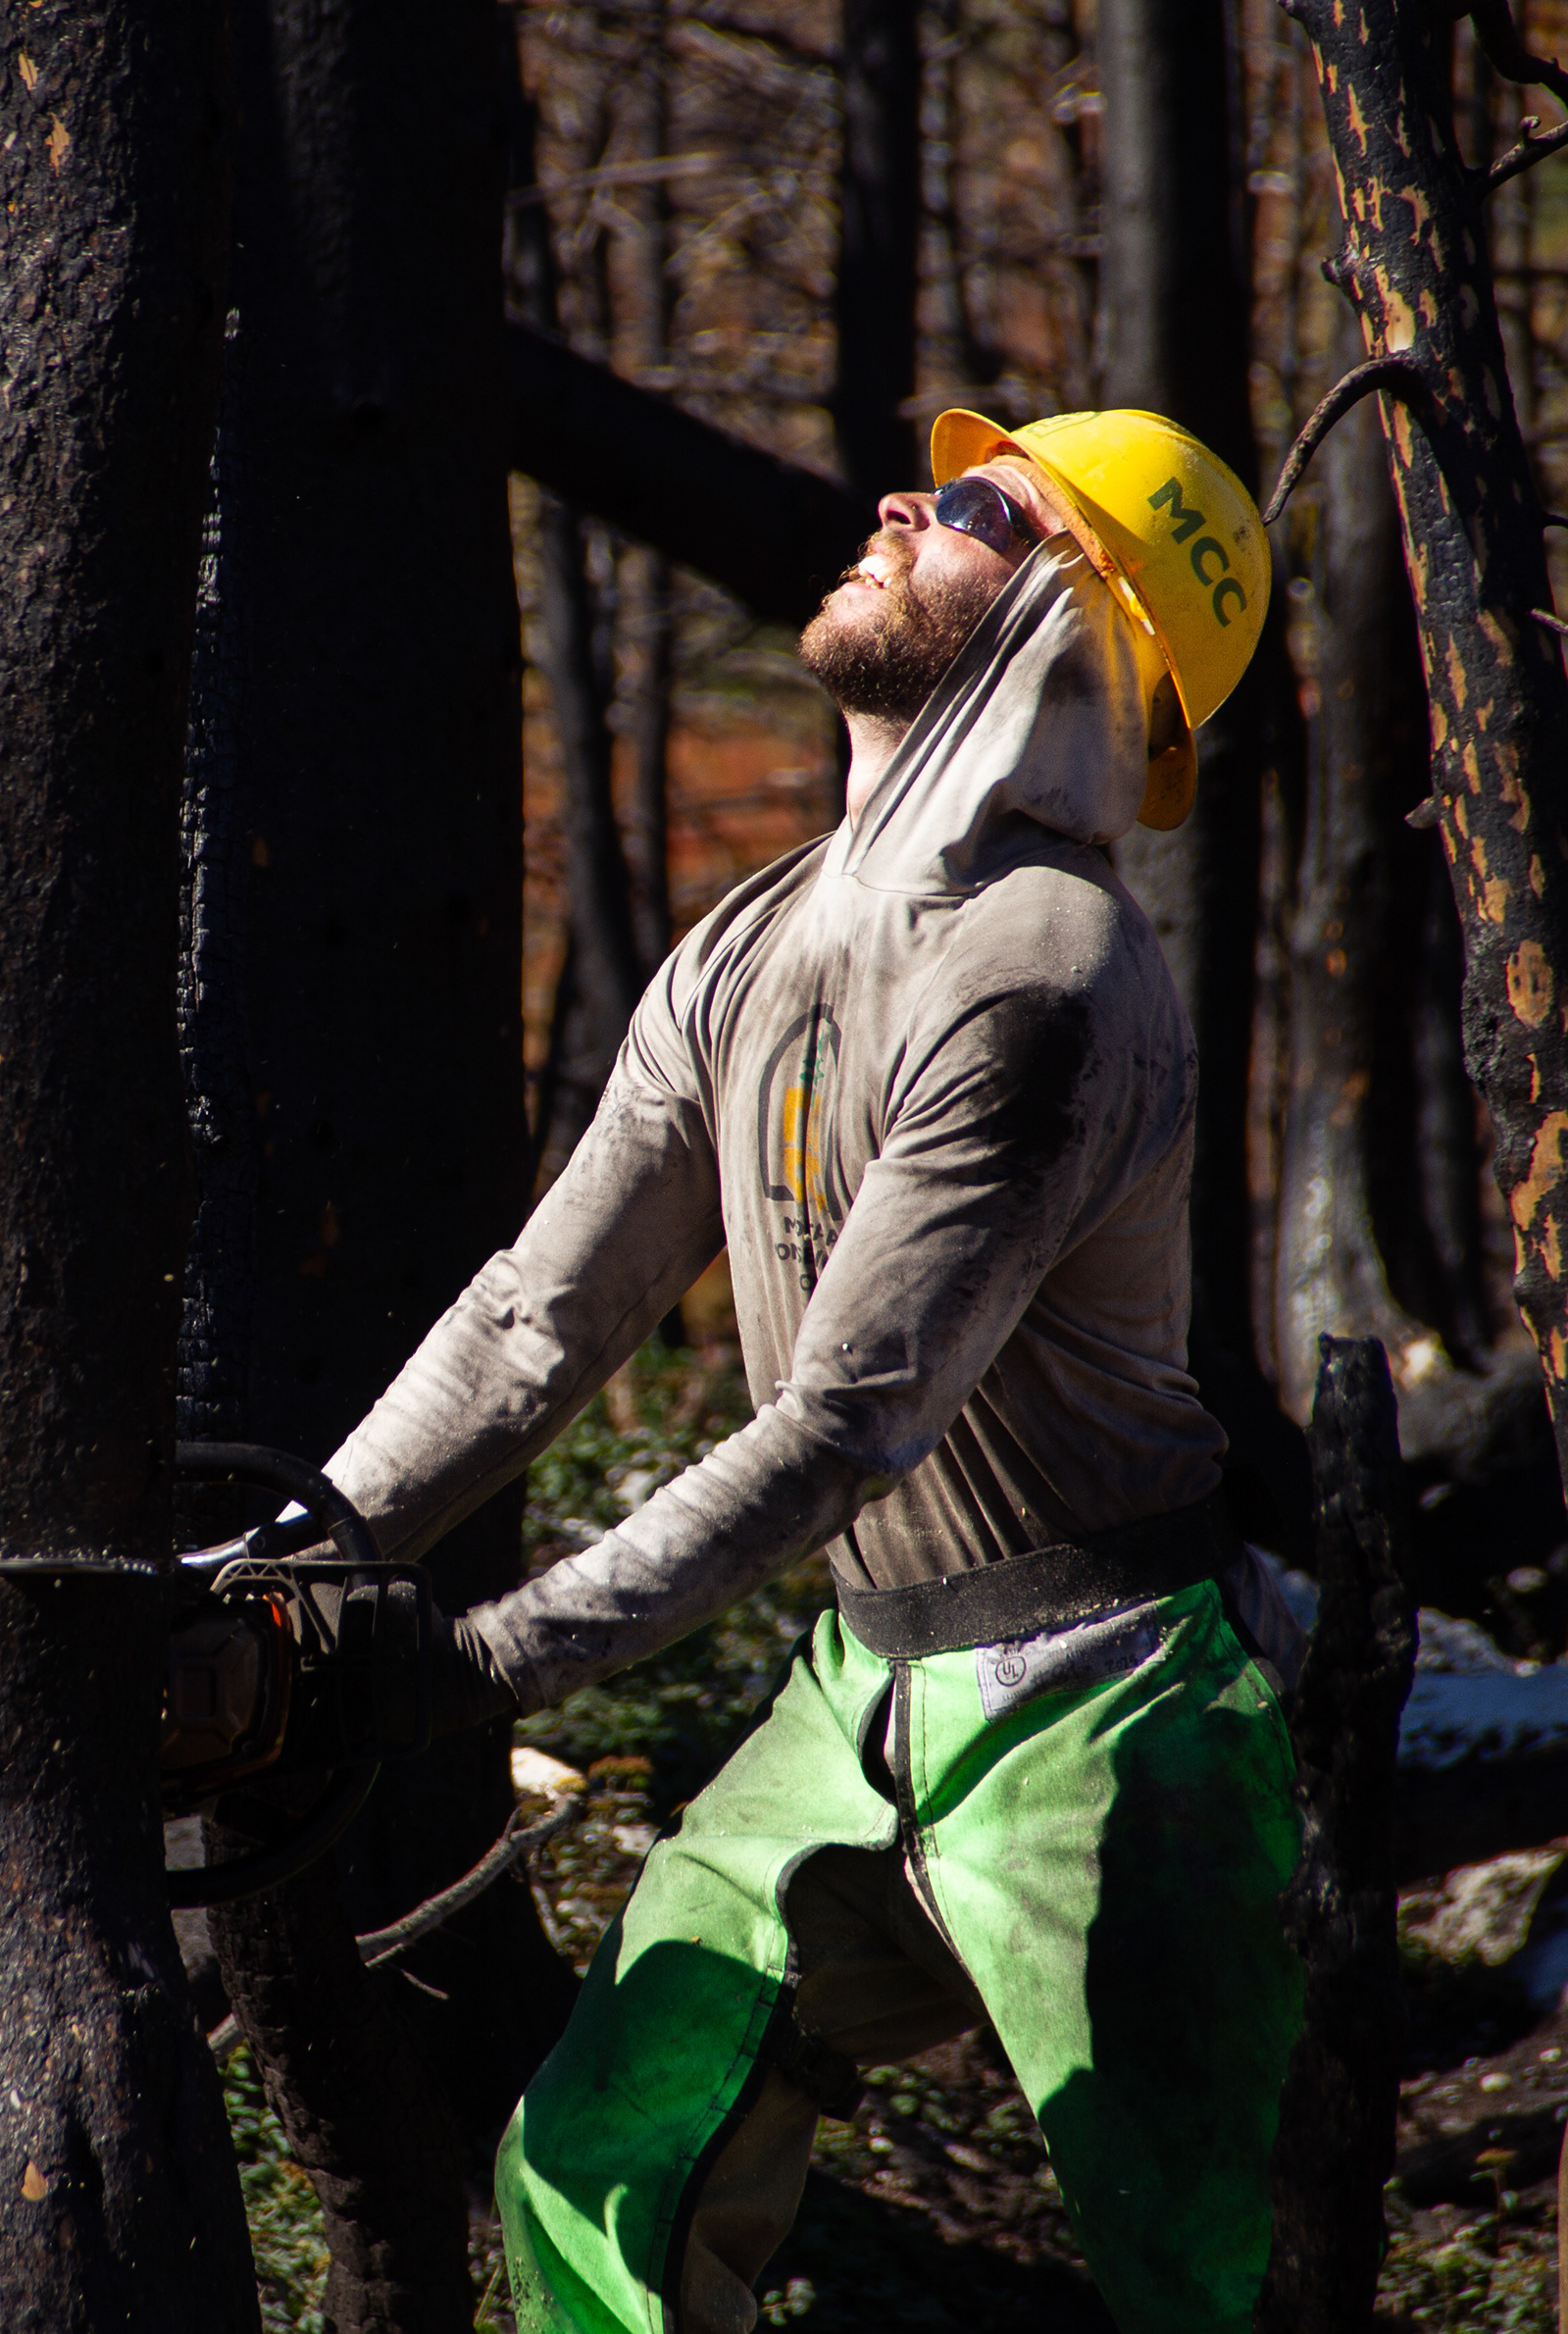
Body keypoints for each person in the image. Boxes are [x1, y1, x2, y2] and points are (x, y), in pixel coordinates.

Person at [321, 407, 1307, 2334]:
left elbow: (850, 1417)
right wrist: (302, 1555)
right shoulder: (750, 941)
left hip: (1124, 1717)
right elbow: (543, 1315)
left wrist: (470, 1662)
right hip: (857, 1685)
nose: (893, 502)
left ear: (1075, 629)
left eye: (968, 508)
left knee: (1218, 2277)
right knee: (600, 2160)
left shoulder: (1046, 974)